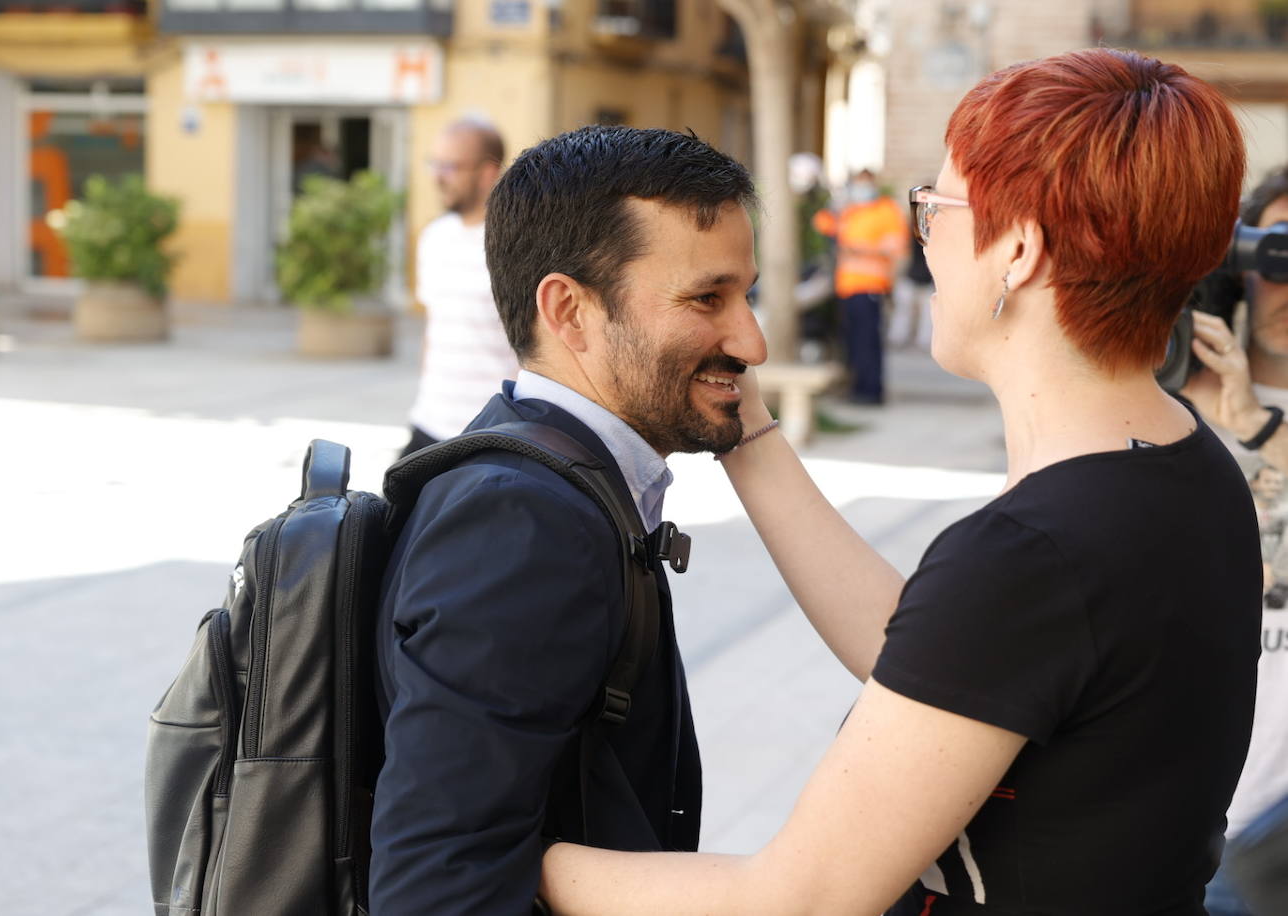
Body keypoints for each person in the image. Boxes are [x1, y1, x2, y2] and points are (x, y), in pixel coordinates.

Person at [539, 48, 1262, 916]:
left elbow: (799, 898)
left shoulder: (1034, 556)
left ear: (1019, 250)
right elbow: (948, 661)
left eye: (937, 208)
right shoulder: (1190, 466)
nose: (925, 237)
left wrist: (490, 850)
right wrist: (750, 436)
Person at [370, 126, 766, 912]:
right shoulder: (523, 524)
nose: (751, 340)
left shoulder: (549, 476)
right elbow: (437, 886)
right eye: (706, 299)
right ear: (569, 311)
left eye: (747, 295)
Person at [1182, 164, 1288, 916]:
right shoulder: (1171, 403)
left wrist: (1259, 427)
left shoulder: (1248, 418)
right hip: (1185, 824)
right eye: (1279, 253)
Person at [400, 117, 518, 458]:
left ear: (487, 173)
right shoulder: (434, 238)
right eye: (435, 163)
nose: (437, 176)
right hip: (428, 425)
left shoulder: (515, 246)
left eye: (450, 166)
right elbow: (434, 330)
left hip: (492, 435)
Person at [813, 168, 908, 404]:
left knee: (868, 341)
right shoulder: (851, 211)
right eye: (857, 184)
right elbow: (822, 223)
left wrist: (860, 249)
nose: (861, 189)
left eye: (864, 184)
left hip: (871, 286)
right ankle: (856, 389)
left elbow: (895, 248)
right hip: (847, 287)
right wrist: (836, 206)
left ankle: (871, 391)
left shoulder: (886, 211)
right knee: (852, 341)